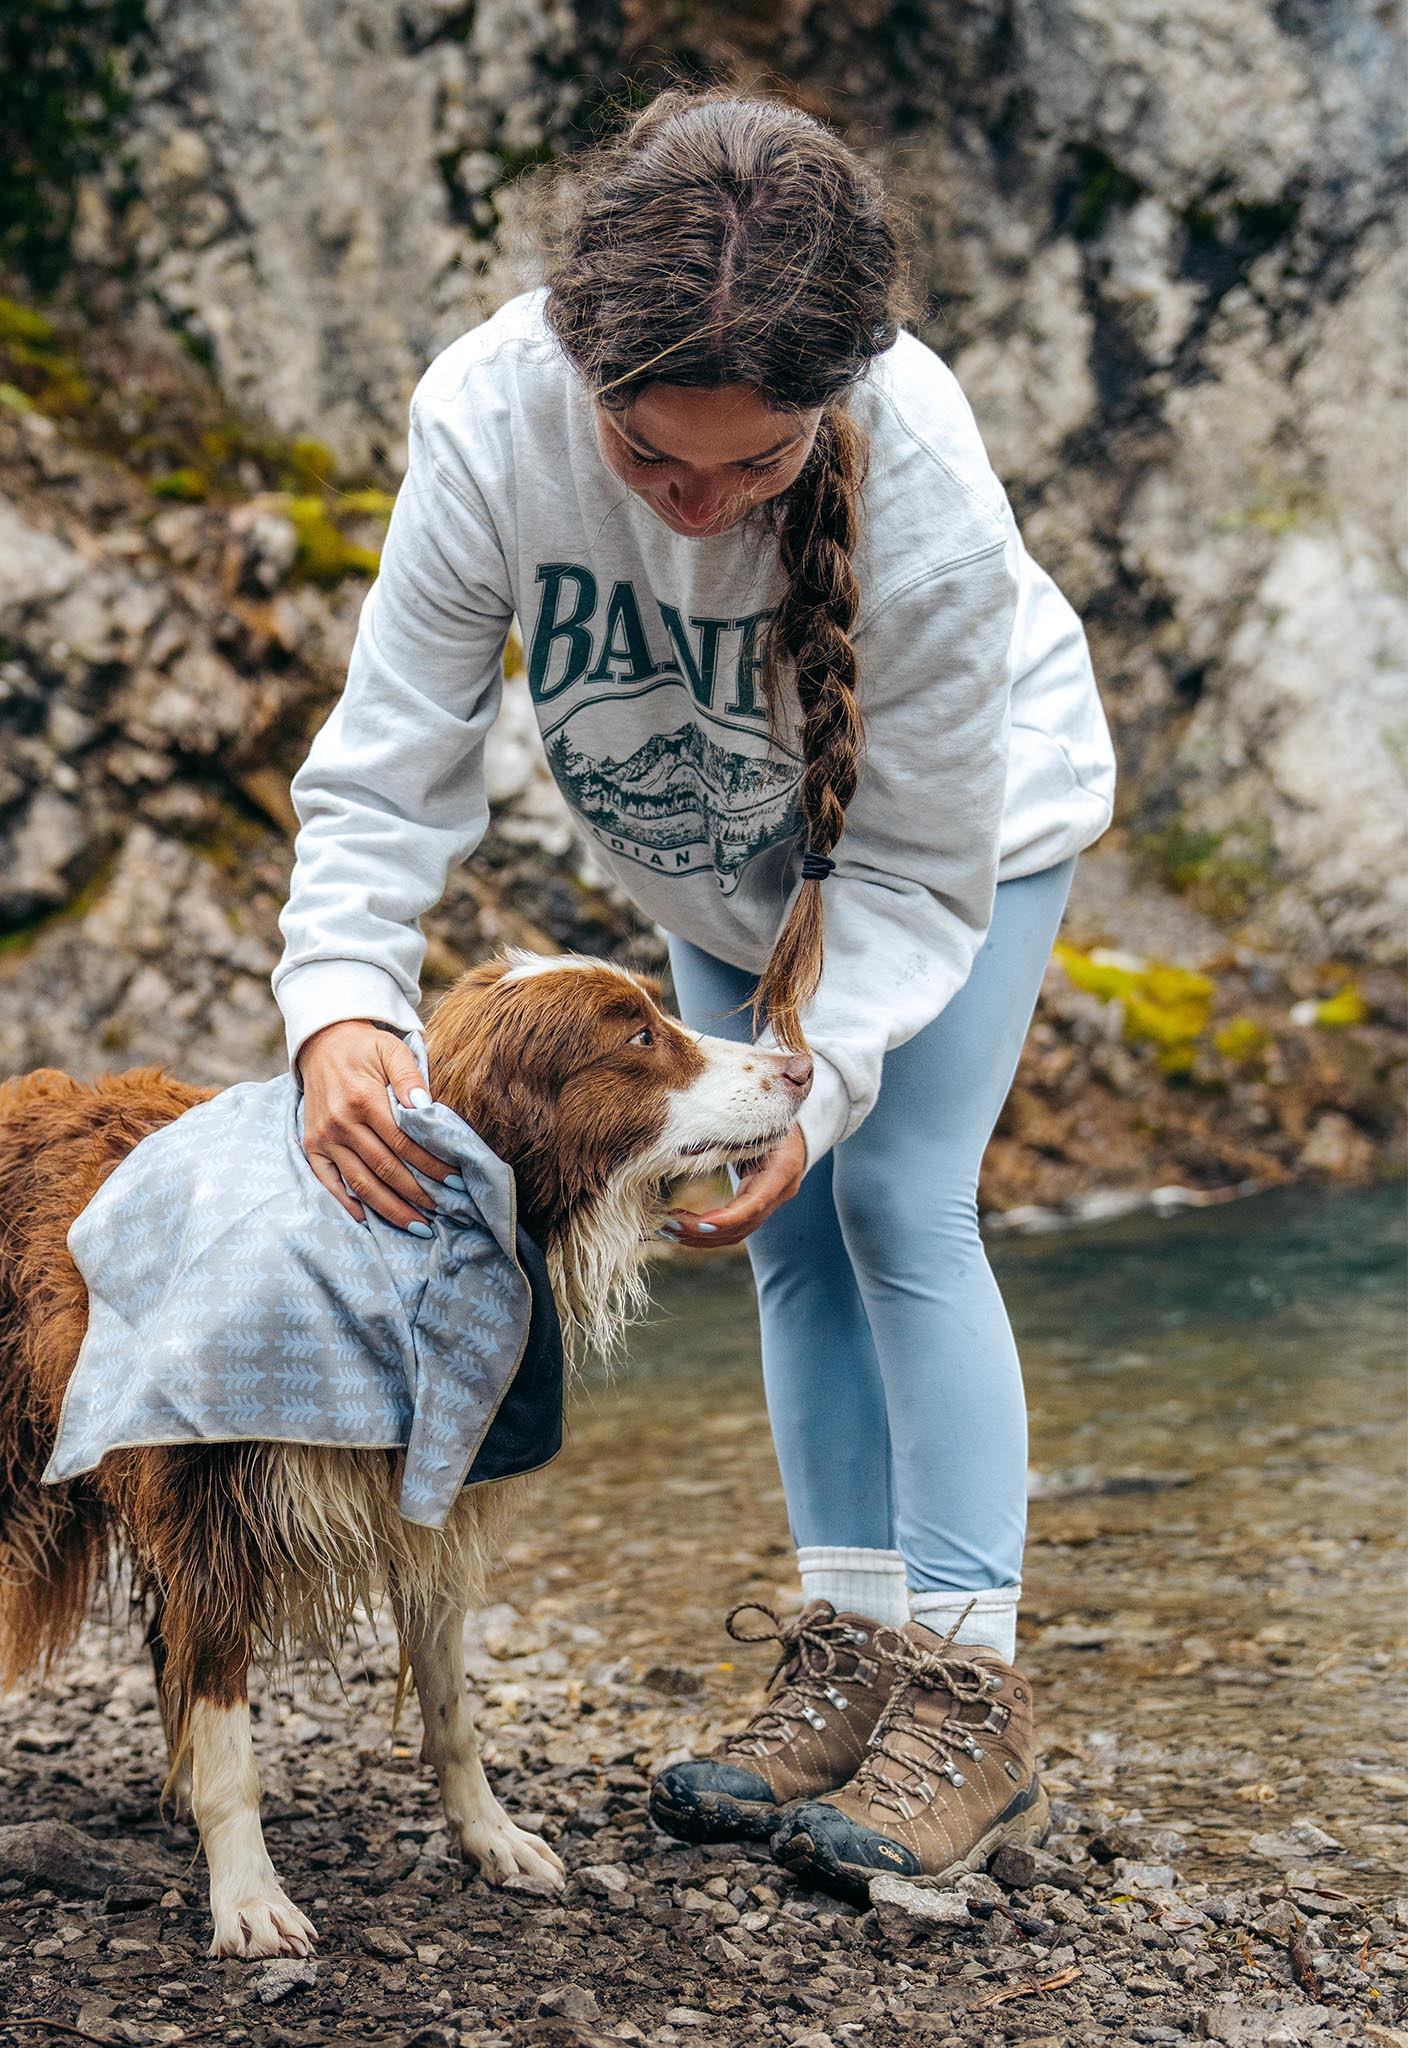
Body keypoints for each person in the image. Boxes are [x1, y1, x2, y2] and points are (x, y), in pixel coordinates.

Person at [269, 87, 1114, 1893]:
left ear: (831, 404)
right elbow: (398, 746)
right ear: (585, 371)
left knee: (889, 1194)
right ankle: (846, 1651)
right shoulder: (489, 418)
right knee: (776, 1235)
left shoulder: (933, 496)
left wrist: (830, 1066)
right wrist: (338, 997)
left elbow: (901, 872)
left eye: (753, 472)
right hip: (710, 847)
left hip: (952, 843)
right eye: (655, 464)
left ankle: (970, 1701)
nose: (697, 507)